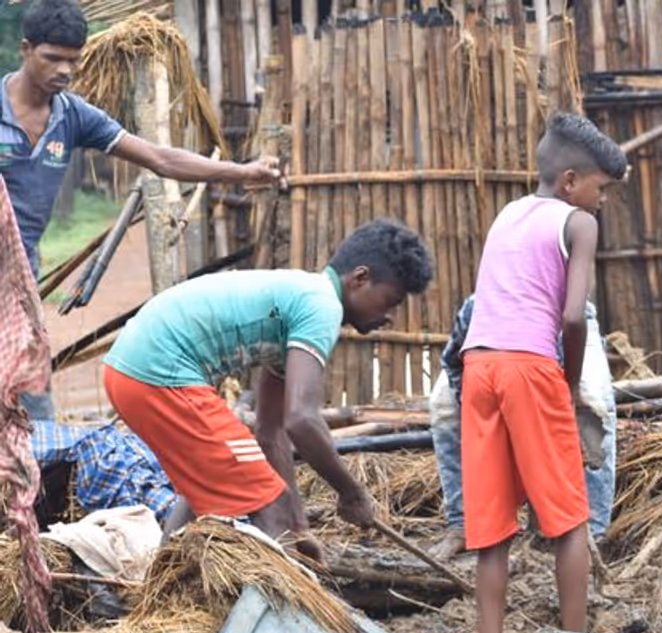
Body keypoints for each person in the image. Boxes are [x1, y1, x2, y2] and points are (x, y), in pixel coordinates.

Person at [3, 0, 282, 419]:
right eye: (52, 58)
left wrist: (241, 171)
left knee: (28, 382)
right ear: (26, 50)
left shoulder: (72, 116)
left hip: (22, 269)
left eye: (72, 61)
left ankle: (38, 473)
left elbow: (159, 157)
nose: (63, 70)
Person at [101, 220, 432, 561]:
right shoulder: (322, 307)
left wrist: (299, 526)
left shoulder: (299, 302)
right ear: (359, 278)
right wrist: (352, 493)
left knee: (210, 479)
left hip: (128, 371)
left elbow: (272, 432)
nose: (391, 316)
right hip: (158, 370)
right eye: (390, 301)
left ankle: (158, 592)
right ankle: (287, 609)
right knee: (265, 494)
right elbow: (302, 420)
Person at [459, 112, 626, 633]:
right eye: (602, 189)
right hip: (531, 368)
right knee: (569, 520)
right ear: (572, 181)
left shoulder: (508, 214)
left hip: (478, 368)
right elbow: (573, 317)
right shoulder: (577, 223)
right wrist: (570, 384)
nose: (602, 202)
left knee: (491, 531)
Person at [428, 294, 617, 560]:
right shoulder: (478, 309)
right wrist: (473, 407)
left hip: (569, 325)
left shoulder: (562, 303)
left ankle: (593, 534)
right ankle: (463, 524)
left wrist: (571, 389)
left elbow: (571, 327)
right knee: (443, 406)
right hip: (501, 335)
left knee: (594, 407)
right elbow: (453, 362)